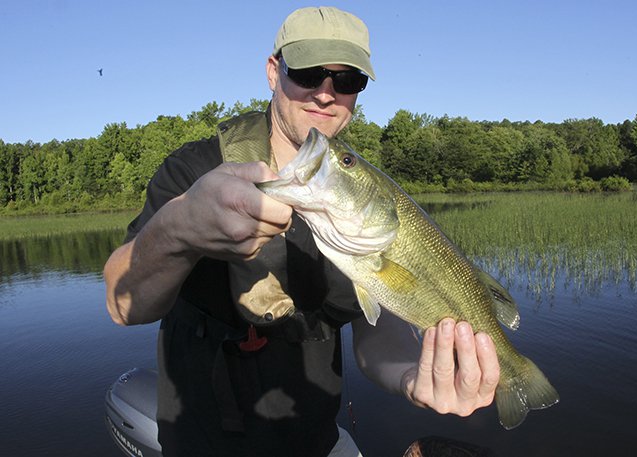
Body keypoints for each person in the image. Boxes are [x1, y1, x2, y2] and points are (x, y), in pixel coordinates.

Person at [104, 6, 500, 457]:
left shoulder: (364, 195)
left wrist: (412, 376)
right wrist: (176, 229)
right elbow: (121, 304)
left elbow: (377, 337)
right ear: (274, 72)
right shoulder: (195, 169)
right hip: (203, 443)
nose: (326, 94)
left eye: (347, 81)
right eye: (309, 73)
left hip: (315, 442)